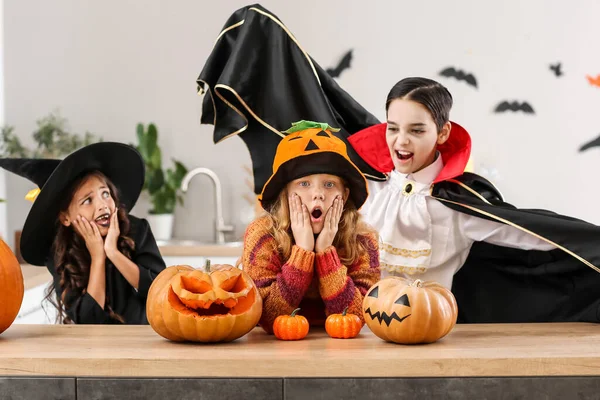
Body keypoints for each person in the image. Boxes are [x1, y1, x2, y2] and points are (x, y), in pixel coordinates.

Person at [348, 77, 600, 323]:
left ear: (442, 133)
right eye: (393, 128)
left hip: (428, 327)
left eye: (416, 130)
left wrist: (588, 244)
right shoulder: (366, 183)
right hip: (361, 327)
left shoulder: (460, 204)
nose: (401, 140)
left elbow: (534, 233)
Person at [0, 142, 166, 324]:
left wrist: (113, 253)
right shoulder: (59, 253)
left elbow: (163, 293)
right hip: (93, 348)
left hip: (144, 342)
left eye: (105, 194)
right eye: (88, 201)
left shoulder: (137, 230)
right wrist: (98, 257)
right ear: (65, 218)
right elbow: (88, 320)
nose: (102, 205)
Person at [242, 120, 380, 333]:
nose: (318, 194)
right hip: (280, 350)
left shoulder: (362, 240)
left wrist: (325, 253)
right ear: (286, 193)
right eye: (304, 184)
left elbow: (355, 318)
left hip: (342, 350)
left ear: (344, 194)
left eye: (329, 184)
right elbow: (268, 318)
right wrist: (304, 252)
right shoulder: (262, 234)